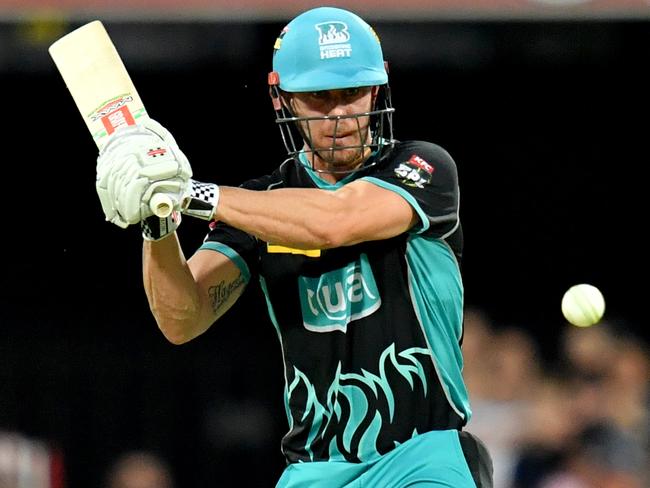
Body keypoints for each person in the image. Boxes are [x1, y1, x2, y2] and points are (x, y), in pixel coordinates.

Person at [94, 6, 494, 487]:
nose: (341, 115)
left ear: (380, 84)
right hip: (314, 470)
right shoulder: (260, 206)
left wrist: (192, 193)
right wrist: (157, 220)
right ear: (282, 98)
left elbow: (336, 221)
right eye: (319, 98)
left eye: (353, 93)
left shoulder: (422, 167)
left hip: (424, 457)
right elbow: (183, 318)